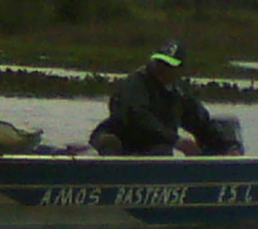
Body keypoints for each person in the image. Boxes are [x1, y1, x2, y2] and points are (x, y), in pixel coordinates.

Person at [88, 40, 242, 156]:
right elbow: (138, 118)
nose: (162, 68)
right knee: (114, 145)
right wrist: (176, 140)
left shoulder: (179, 94)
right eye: (160, 62)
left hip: (154, 151)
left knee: (162, 150)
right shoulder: (135, 84)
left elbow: (201, 122)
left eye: (169, 65)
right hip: (121, 141)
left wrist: (229, 146)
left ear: (180, 69)